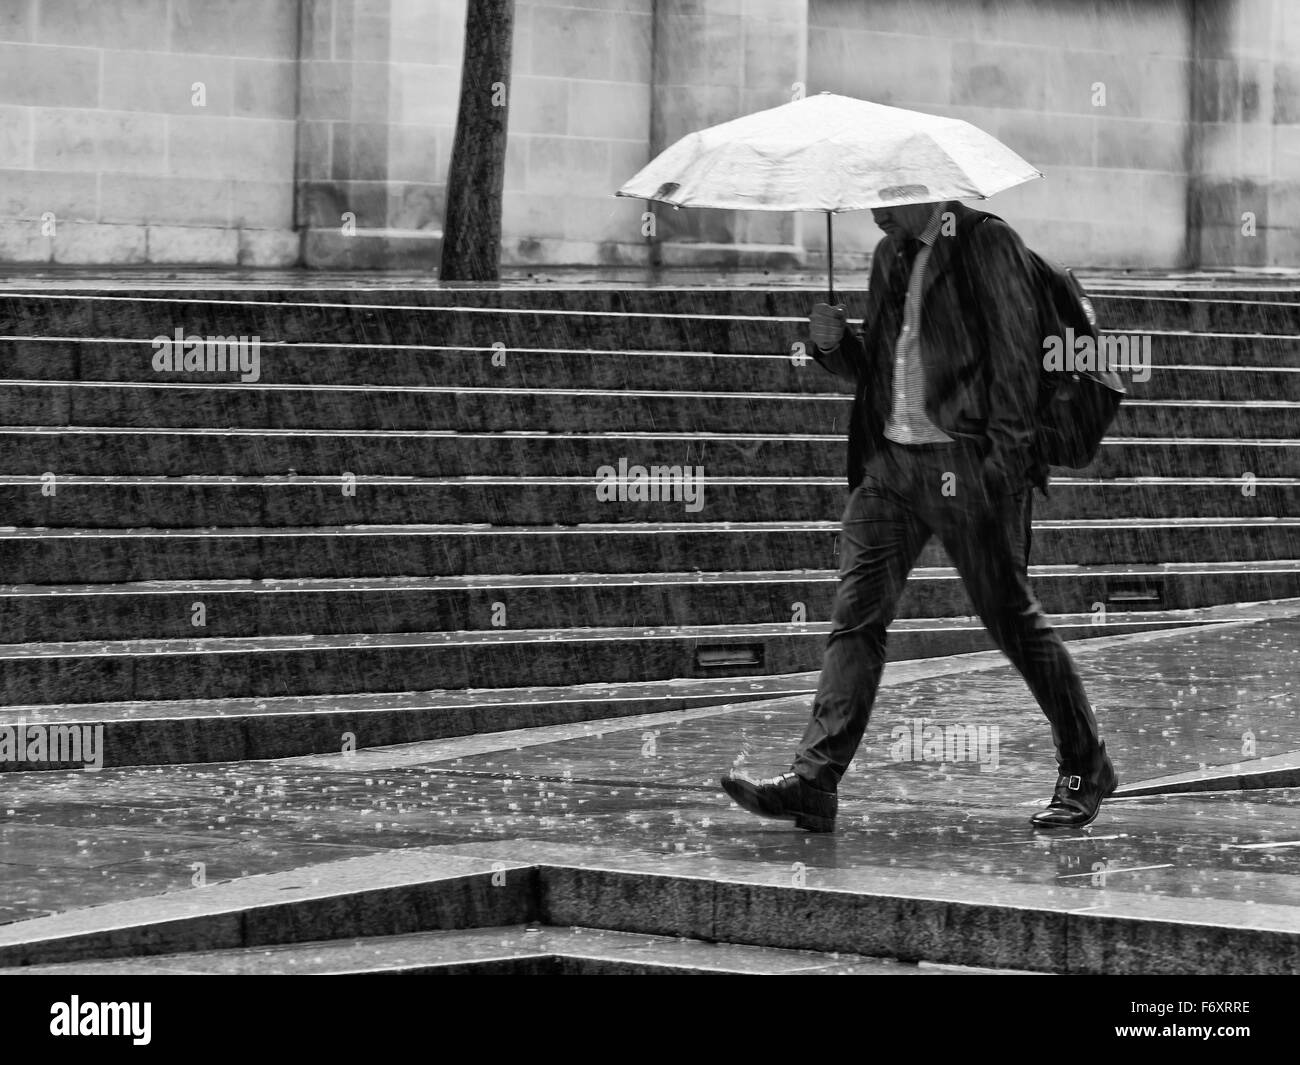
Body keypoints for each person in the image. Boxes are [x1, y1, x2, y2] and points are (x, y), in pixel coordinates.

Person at [721, 198, 1116, 832]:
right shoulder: (889, 255)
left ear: (922, 188)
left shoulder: (988, 244)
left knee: (1011, 619)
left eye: (884, 196)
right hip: (892, 467)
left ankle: (1085, 764)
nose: (872, 210)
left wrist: (1000, 465)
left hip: (971, 463)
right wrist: (835, 349)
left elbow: (1015, 361)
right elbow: (884, 370)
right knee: (856, 617)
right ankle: (815, 779)